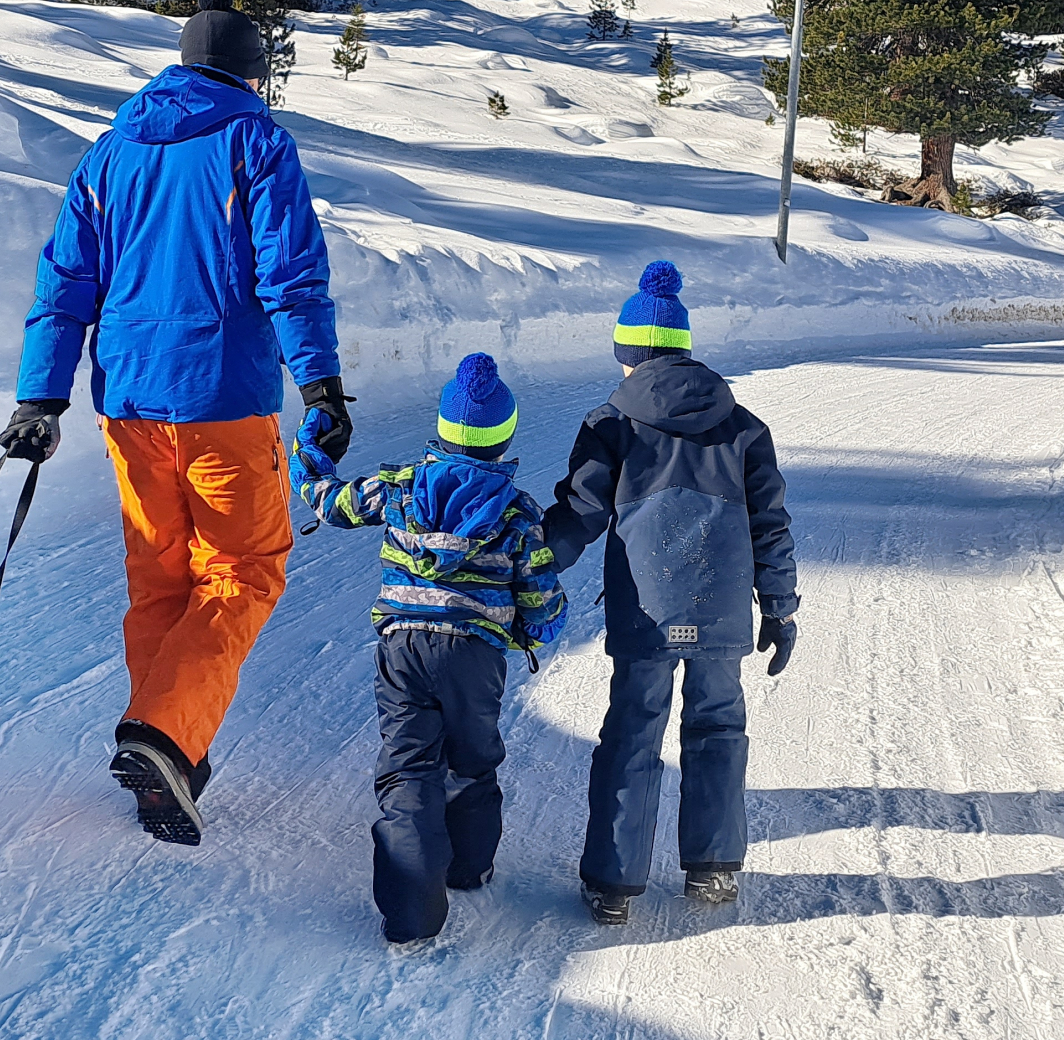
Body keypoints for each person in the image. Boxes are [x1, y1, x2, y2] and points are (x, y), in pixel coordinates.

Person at [0, 0, 351, 845]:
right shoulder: (255, 140)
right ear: (252, 75)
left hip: (127, 402)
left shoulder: (111, 151)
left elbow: (66, 280)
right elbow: (290, 273)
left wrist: (41, 394)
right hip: (224, 398)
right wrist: (321, 386)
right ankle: (163, 734)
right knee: (245, 567)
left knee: (161, 574)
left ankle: (169, 748)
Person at [542, 261, 798, 924]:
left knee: (632, 731)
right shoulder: (743, 427)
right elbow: (770, 524)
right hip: (718, 610)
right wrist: (779, 605)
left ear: (629, 354)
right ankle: (712, 869)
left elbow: (579, 513)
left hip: (645, 613)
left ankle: (614, 885)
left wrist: (529, 564)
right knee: (716, 726)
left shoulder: (611, 424)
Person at [292, 353, 565, 944]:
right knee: (471, 760)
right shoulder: (519, 514)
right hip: (474, 656)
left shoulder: (401, 487)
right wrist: (541, 628)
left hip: (403, 648)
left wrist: (310, 438)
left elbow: (325, 498)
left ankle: (410, 914)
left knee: (409, 766)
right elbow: (540, 597)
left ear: (442, 428)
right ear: (505, 438)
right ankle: (468, 868)